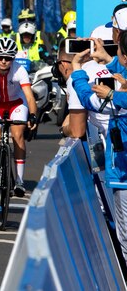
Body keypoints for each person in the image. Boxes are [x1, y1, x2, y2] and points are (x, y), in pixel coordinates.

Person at [70, 37, 127, 252]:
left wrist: (77, 69)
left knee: (125, 240)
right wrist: (108, 59)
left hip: (122, 176)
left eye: (118, 52)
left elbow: (88, 99)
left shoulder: (116, 101)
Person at [0, 36, 38, 198]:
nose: (4, 61)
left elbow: (30, 97)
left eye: (8, 58)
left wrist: (33, 115)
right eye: (0, 57)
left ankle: (19, 180)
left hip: (16, 103)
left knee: (18, 135)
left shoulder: (20, 70)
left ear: (13, 58)